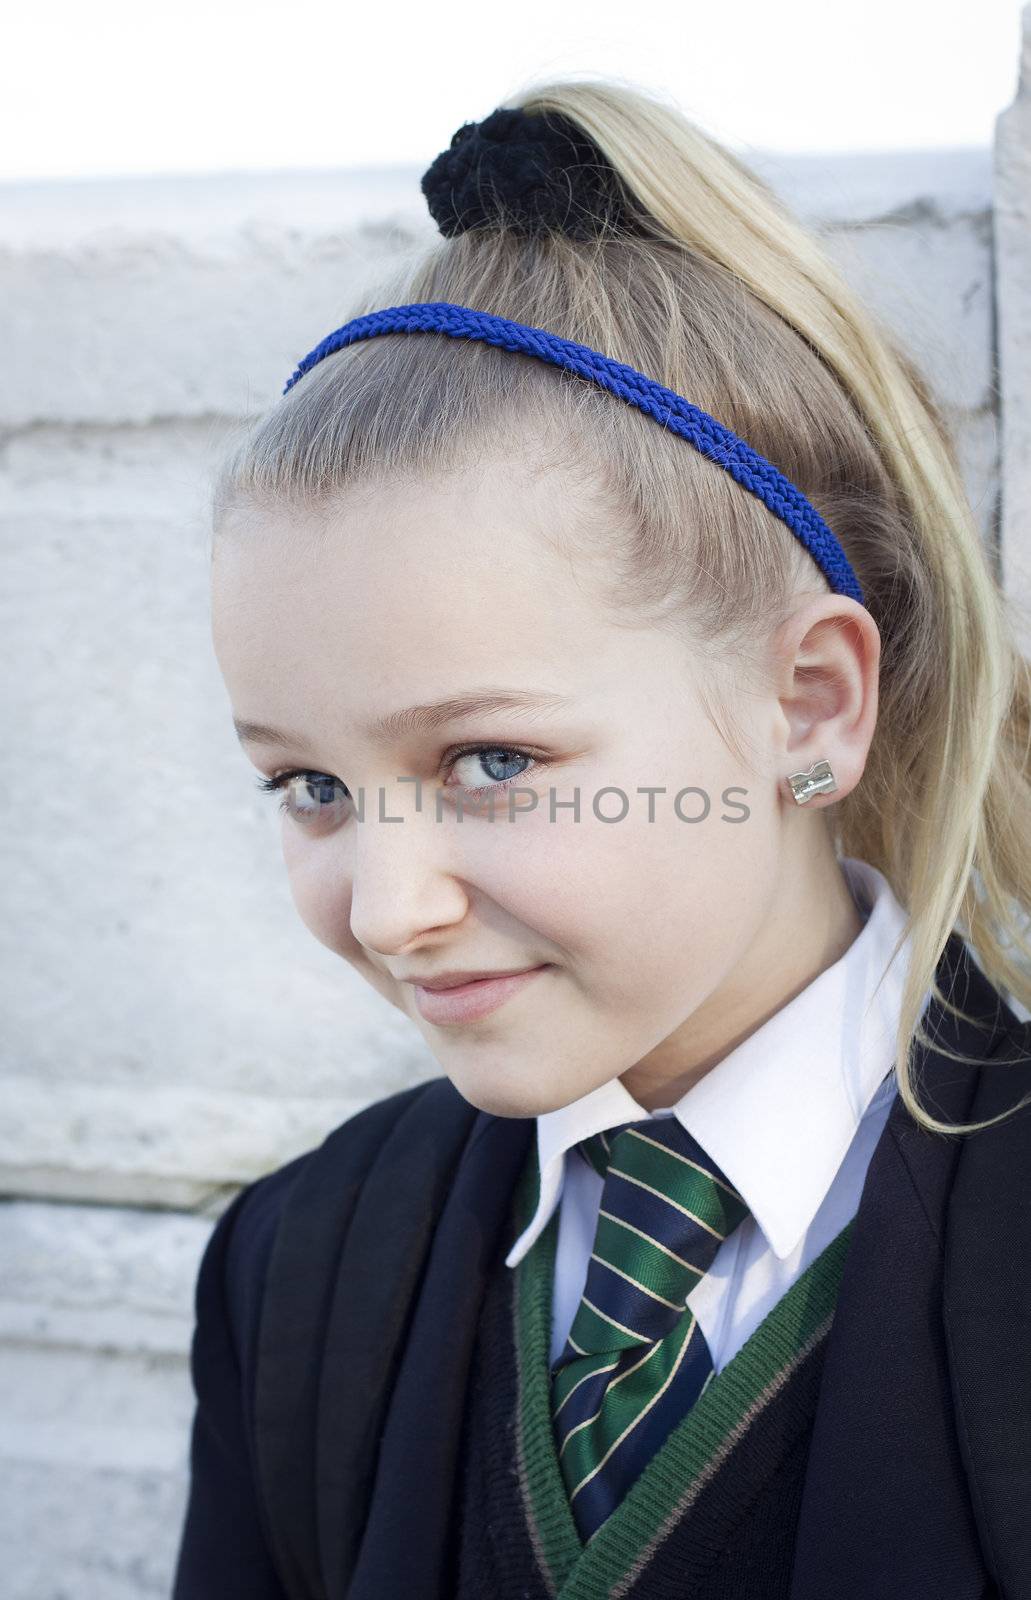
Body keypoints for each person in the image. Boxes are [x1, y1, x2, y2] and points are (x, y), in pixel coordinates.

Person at [171, 82, 1031, 1600]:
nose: (387, 909)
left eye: (491, 760)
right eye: (306, 786)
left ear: (809, 705)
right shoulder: (295, 1274)